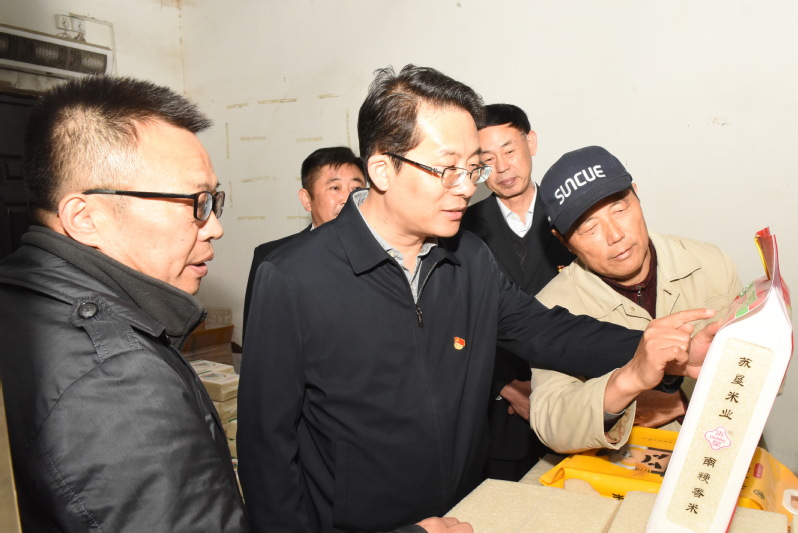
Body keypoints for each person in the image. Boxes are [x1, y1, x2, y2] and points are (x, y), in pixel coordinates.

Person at [238, 65, 717, 533]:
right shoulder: (294, 276)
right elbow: (267, 448)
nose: (467, 188)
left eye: (472, 169)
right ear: (382, 168)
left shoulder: (468, 256)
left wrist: (664, 350)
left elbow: (546, 330)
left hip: (465, 513)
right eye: (447, 170)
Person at [0, 76, 247, 531]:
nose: (215, 227)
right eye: (196, 202)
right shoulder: (119, 379)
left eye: (214, 201)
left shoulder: (22, 295)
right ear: (85, 218)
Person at [530, 145, 743, 453]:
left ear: (636, 194)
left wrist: (682, 400)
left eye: (619, 209)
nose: (615, 234)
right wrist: (629, 380)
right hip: (625, 470)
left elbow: (761, 374)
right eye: (588, 227)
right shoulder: (550, 309)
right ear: (562, 240)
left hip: (727, 452)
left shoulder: (711, 262)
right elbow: (551, 423)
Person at [461, 104, 574, 481]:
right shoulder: (460, 230)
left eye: (509, 150)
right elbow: (456, 322)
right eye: (487, 160)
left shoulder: (573, 216)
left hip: (575, 397)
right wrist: (506, 386)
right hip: (498, 413)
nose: (503, 168)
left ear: (531, 143)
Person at [242, 146, 366, 334]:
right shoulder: (272, 258)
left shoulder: (387, 253)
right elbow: (258, 337)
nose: (348, 199)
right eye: (335, 188)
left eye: (356, 189)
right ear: (307, 199)